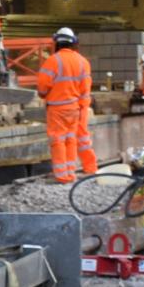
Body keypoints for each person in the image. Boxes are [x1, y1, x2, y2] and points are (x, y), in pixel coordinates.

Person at [33, 26, 96, 183]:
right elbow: (85, 89)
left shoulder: (52, 62)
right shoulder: (83, 62)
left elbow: (42, 87)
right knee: (71, 140)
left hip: (57, 109)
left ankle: (61, 175)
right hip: (74, 109)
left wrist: (45, 94)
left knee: (58, 141)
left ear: (57, 43)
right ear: (73, 42)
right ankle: (70, 172)